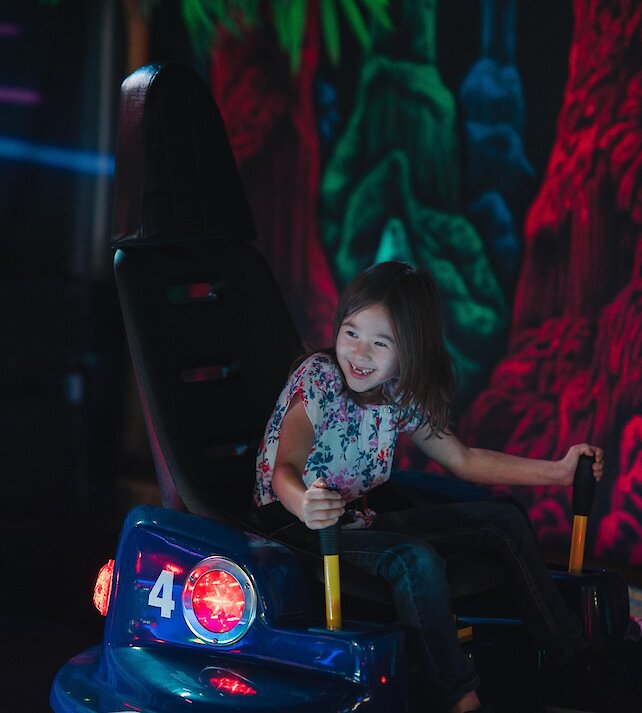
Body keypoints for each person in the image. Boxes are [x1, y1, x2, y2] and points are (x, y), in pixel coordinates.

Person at [253, 261, 604, 713]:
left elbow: (464, 459)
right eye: (352, 332)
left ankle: (573, 664)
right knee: (415, 560)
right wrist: (306, 504)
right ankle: (461, 698)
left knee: (503, 519)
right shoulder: (319, 377)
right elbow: (285, 469)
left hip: (355, 520)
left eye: (381, 343)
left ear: (408, 352)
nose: (359, 354)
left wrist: (559, 471)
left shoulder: (398, 393)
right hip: (294, 524)